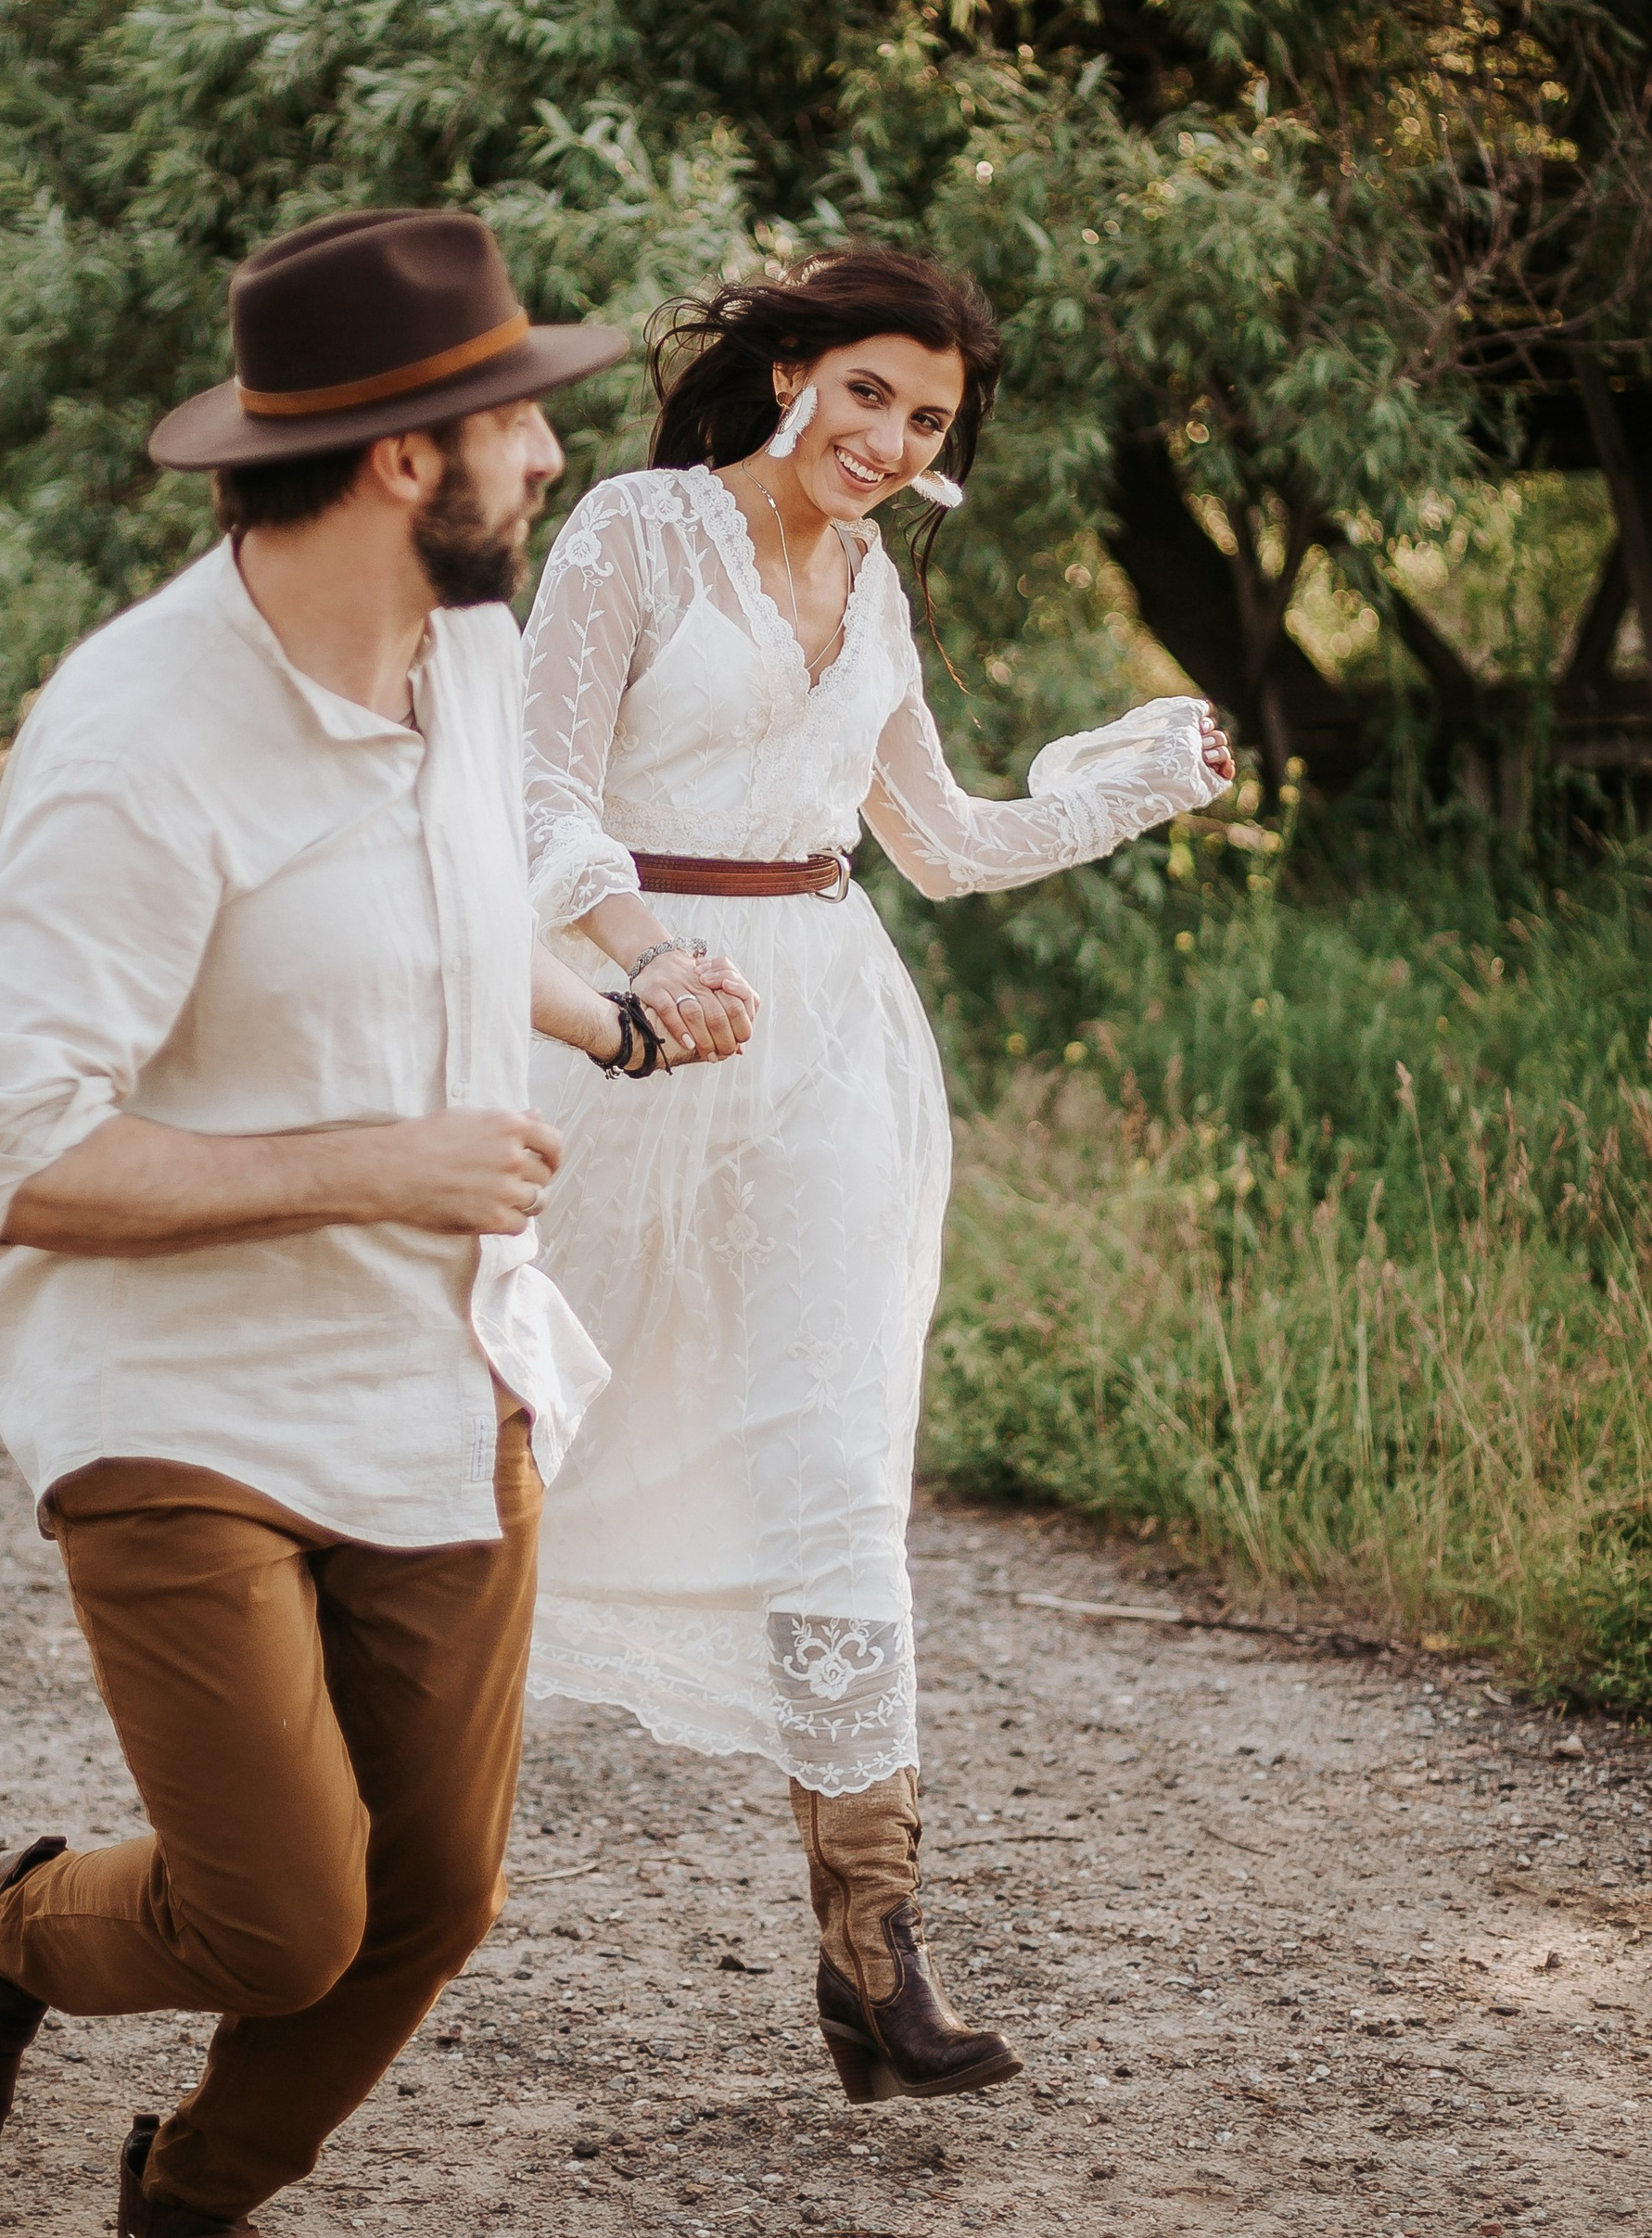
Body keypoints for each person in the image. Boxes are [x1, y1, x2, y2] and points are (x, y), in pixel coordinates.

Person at [0, 208, 689, 2238]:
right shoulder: (137, 746)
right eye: (514, 421)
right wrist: (374, 1166)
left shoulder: (464, 649)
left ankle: (190, 2207)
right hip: (179, 1397)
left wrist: (604, 1010)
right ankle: (8, 1925)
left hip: (438, 1374)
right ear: (402, 458)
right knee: (278, 1910)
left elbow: (440, 927)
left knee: (431, 1899)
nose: (543, 459)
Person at [518, 245, 1232, 2104]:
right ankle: (322, 1832)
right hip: (620, 1026)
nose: (890, 443)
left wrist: (1140, 775)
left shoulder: (877, 584)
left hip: (827, 1042)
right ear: (790, 375)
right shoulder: (632, 531)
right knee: (502, 1430)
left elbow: (945, 843)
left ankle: (873, 1942)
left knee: (838, 1468)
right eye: (866, 398)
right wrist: (634, 958)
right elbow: (534, 792)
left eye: (926, 424)